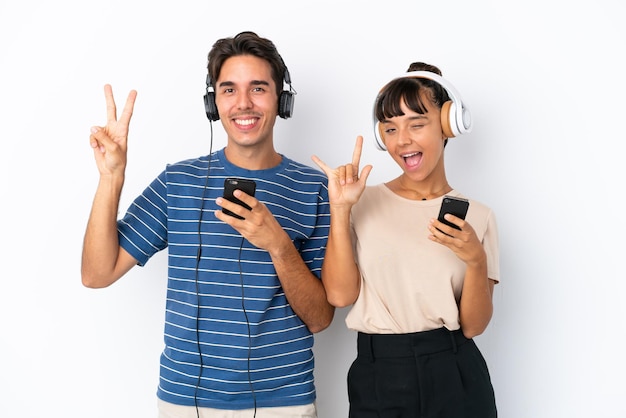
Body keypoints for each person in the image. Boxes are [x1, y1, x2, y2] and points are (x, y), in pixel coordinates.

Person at [82, 31, 335, 418]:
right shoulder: (178, 182)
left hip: (284, 401)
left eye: (259, 88)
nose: (244, 103)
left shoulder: (315, 188)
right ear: (213, 102)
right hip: (188, 401)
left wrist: (278, 244)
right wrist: (111, 178)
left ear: (282, 100)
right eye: (229, 89)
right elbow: (97, 274)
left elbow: (320, 319)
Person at [312, 62, 499, 417]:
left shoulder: (479, 216)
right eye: (391, 128)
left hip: (456, 371)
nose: (403, 140)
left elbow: (474, 325)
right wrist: (340, 209)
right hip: (378, 372)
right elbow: (339, 295)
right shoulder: (360, 201)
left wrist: (476, 259)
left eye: (417, 124)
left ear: (448, 125)